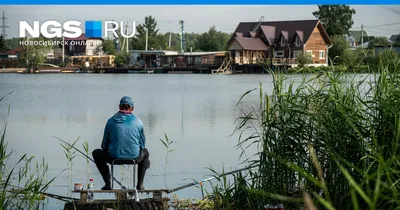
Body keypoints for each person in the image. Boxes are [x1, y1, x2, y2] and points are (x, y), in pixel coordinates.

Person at [92, 96, 150, 190]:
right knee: (145, 152)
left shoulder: (110, 121)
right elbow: (142, 144)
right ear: (132, 108)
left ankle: (107, 184)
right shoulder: (138, 122)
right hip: (134, 157)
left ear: (119, 107)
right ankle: (140, 185)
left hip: (113, 158)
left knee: (96, 153)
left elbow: (104, 146)